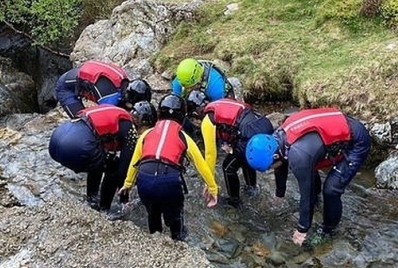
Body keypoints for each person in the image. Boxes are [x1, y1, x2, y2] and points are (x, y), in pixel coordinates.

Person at [245, 107, 371, 247]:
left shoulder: (298, 155)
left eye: (269, 167)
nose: (270, 169)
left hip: (356, 142)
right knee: (308, 170)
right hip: (336, 130)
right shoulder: (277, 138)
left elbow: (306, 194)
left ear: (275, 156)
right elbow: (280, 164)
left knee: (331, 190)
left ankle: (328, 231)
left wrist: (302, 228)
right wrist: (279, 194)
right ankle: (318, 203)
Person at [119, 93, 218, 241]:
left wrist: (127, 185)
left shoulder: (146, 134)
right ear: (182, 115)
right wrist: (212, 188)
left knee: (153, 216)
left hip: (144, 178)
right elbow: (201, 165)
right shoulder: (184, 137)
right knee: (175, 220)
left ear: (159, 113)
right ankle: (178, 240)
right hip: (169, 181)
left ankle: (155, 238)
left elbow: (135, 163)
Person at [48, 104, 138, 213]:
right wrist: (124, 199)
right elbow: (123, 171)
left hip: (59, 135)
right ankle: (104, 210)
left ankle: (92, 199)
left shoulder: (116, 111)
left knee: (99, 162)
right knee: (113, 167)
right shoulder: (131, 130)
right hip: (77, 144)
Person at [192, 96, 274, 207]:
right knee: (245, 159)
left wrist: (209, 183)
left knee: (228, 167)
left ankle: (234, 201)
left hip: (249, 136)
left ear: (196, 115)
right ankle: (251, 189)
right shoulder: (220, 103)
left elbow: (210, 154)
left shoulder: (208, 119)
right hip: (262, 125)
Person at [55, 60, 152, 118]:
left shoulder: (124, 84)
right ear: (130, 100)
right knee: (81, 122)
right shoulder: (109, 97)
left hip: (78, 77)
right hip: (66, 88)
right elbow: (103, 118)